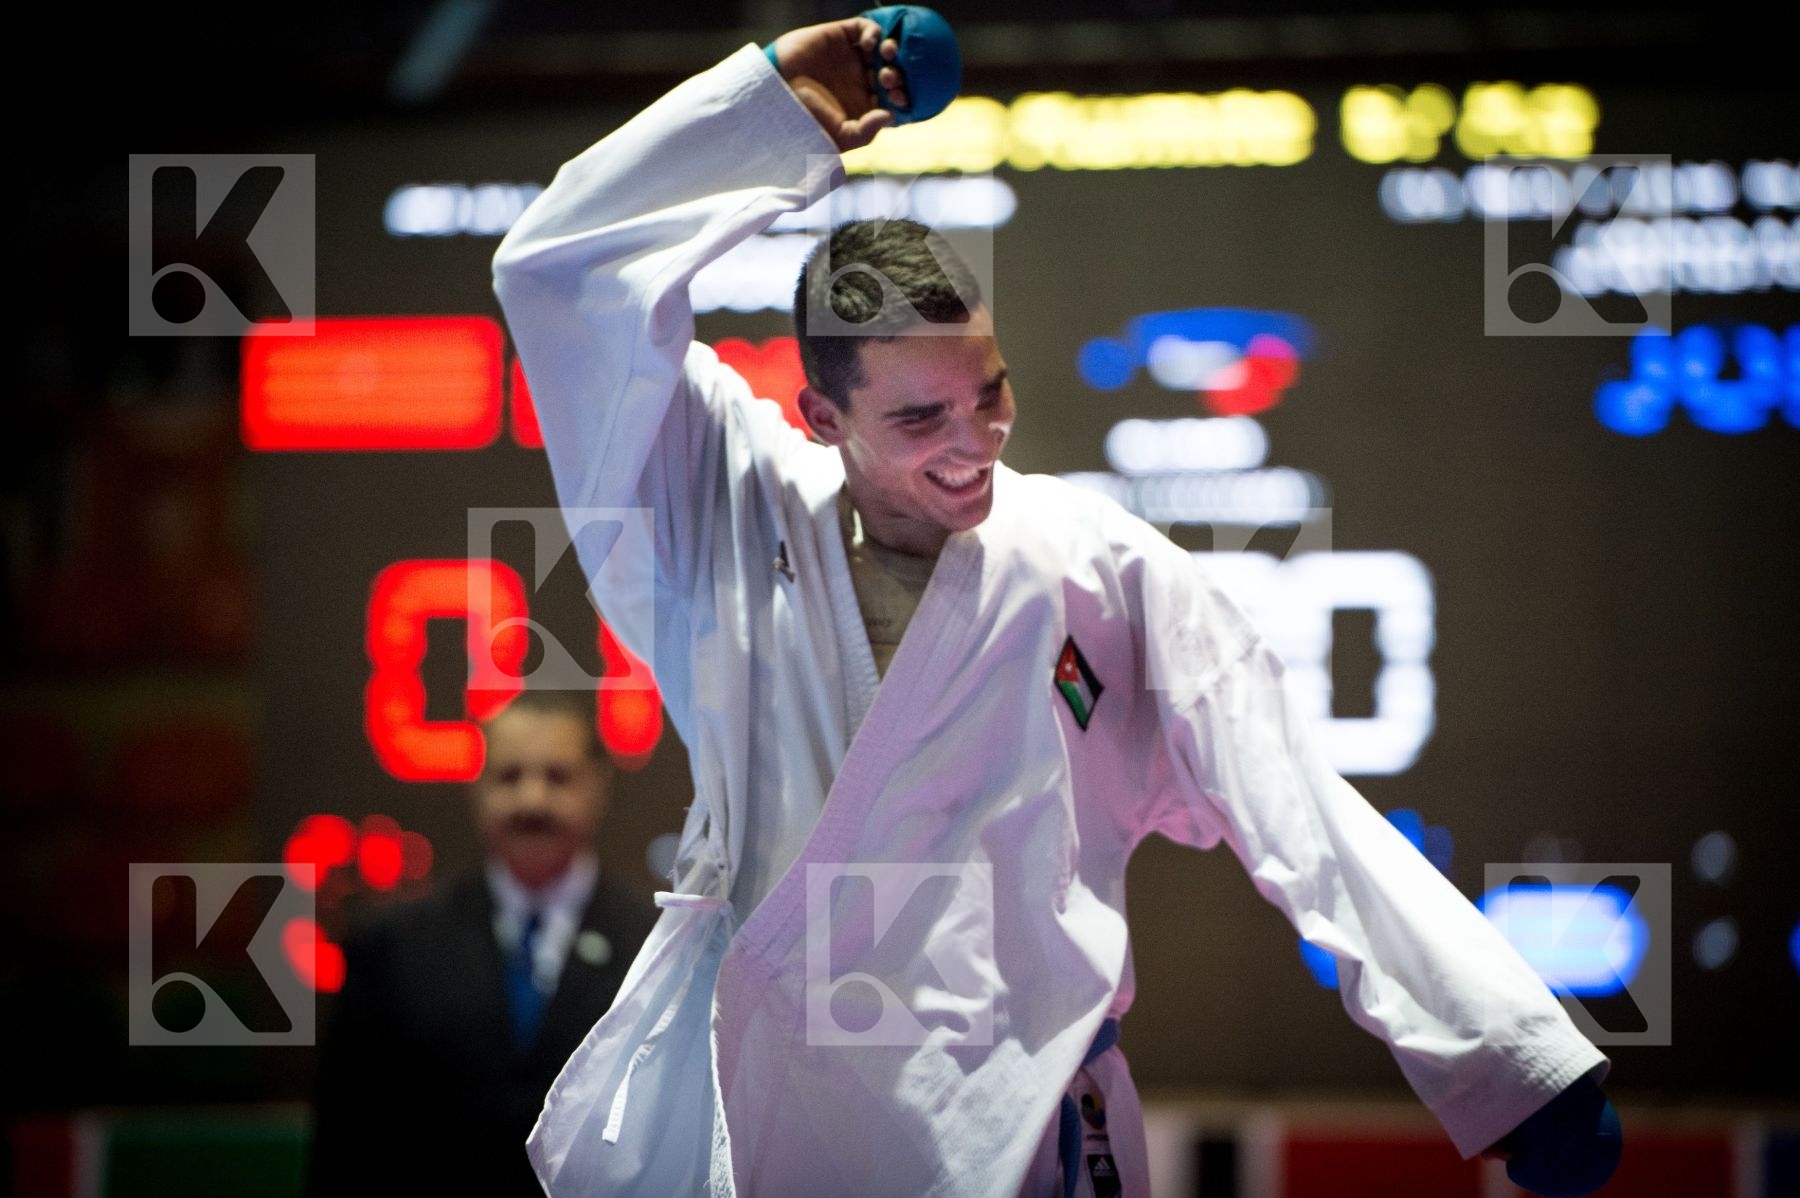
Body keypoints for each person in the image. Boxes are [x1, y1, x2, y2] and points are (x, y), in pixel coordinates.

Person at [491, 12, 1619, 1197]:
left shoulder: (1102, 565)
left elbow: (1299, 807)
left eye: (989, 393)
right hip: (774, 1125)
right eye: (920, 420)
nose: (973, 442)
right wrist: (766, 119)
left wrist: (1507, 1058)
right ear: (823, 420)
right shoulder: (724, 501)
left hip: (1026, 1127)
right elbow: (558, 272)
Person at [308, 690, 659, 1196]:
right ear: (477, 787)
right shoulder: (391, 949)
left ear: (599, 786)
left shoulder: (657, 948)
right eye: (509, 776)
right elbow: (344, 1151)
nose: (532, 801)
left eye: (557, 777)